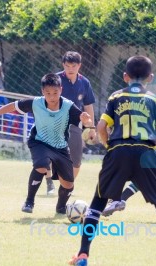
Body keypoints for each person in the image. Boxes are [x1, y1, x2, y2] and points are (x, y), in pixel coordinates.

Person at [69, 56, 156, 266]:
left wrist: (110, 146)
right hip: (146, 153)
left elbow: (100, 128)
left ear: (125, 77)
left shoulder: (116, 97)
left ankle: (82, 255)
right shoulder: (154, 100)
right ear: (150, 78)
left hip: (118, 151)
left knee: (98, 203)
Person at [0, 73, 94, 214]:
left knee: (68, 184)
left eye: (55, 93)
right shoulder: (35, 103)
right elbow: (12, 106)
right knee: (41, 166)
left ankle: (61, 207)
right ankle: (29, 201)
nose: (52, 97)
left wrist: (86, 122)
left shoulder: (68, 106)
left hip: (60, 147)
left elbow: (83, 121)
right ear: (43, 92)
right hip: (39, 142)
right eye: (48, 93)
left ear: (61, 90)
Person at [46, 51, 96, 195]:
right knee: (49, 154)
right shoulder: (55, 80)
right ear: (63, 65)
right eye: (67, 66)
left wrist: (91, 127)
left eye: (73, 66)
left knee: (76, 158)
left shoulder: (85, 82)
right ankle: (49, 183)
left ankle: (68, 185)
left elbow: (88, 106)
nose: (70, 69)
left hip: (75, 124)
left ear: (79, 66)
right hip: (54, 120)